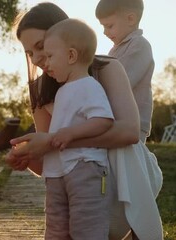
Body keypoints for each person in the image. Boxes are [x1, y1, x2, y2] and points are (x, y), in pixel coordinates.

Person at [7, 2, 163, 239]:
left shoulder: (107, 68)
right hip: (73, 189)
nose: (37, 58)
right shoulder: (38, 90)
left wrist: (53, 141)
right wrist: (27, 156)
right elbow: (47, 164)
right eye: (30, 52)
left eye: (41, 46)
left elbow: (129, 132)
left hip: (120, 174)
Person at [40, 18, 114, 238]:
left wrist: (71, 133)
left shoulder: (89, 86)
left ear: (71, 56)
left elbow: (103, 120)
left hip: (85, 167)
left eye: (50, 56)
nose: (46, 63)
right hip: (57, 171)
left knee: (87, 227)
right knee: (55, 228)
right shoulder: (62, 91)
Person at [96, 0, 154, 143]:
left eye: (109, 26)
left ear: (131, 19)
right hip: (118, 119)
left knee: (128, 162)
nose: (104, 32)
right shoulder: (114, 50)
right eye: (103, 27)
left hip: (133, 121)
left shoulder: (139, 45)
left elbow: (123, 81)